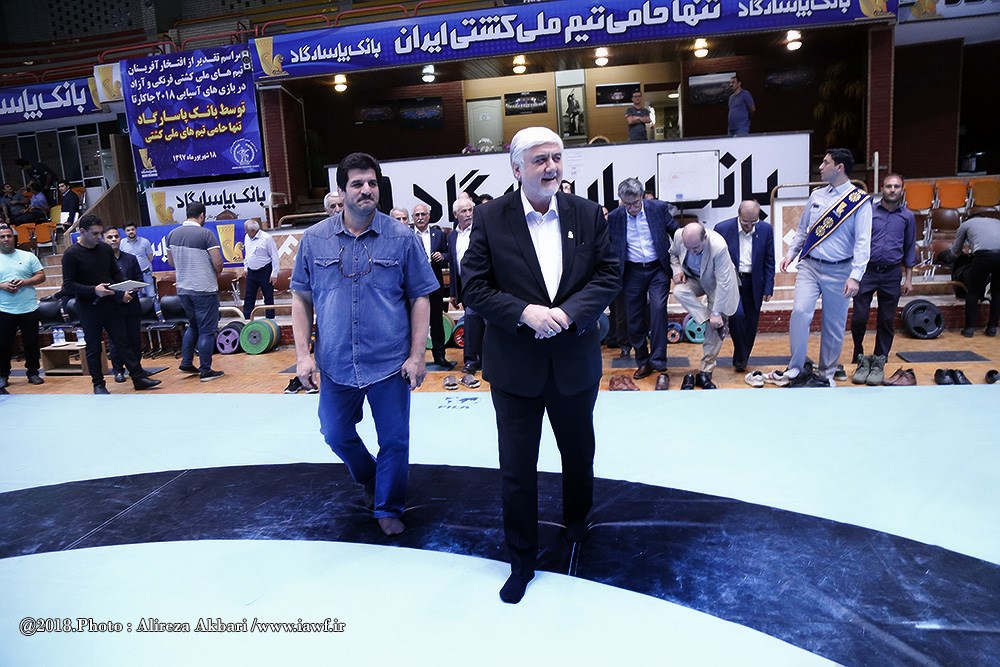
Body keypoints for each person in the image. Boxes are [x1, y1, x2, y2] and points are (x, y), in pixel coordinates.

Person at [462, 127, 619, 603]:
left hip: (574, 362)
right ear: (516, 169)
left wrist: (569, 314)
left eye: (556, 157)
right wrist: (523, 313)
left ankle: (577, 521)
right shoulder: (490, 218)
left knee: (579, 454)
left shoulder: (588, 214)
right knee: (517, 469)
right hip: (515, 369)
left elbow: (609, 274)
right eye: (539, 160)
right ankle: (521, 559)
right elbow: (474, 286)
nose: (551, 167)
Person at [291, 152, 438, 537]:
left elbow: (420, 297)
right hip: (335, 362)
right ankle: (370, 476)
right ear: (342, 191)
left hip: (389, 362)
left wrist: (417, 355)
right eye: (357, 183)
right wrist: (303, 356)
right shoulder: (314, 239)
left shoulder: (402, 238)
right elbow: (301, 298)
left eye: (372, 183)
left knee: (394, 440)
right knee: (334, 433)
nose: (366, 190)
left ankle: (388, 507)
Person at [776, 148, 872, 387]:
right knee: (800, 313)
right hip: (810, 266)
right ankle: (796, 367)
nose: (820, 167)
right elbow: (803, 229)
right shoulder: (816, 195)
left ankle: (826, 373)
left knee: (834, 324)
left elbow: (863, 242)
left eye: (825, 163)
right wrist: (791, 254)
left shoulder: (859, 201)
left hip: (840, 270)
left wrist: (855, 276)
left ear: (839, 167)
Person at [61, 215, 161, 394]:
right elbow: (68, 285)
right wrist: (94, 290)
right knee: (93, 346)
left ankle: (138, 378)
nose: (98, 237)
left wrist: (126, 286)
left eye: (100, 233)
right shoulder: (71, 254)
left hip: (110, 303)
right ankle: (98, 384)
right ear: (82, 232)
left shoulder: (105, 249)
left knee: (123, 342)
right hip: (88, 306)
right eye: (95, 234)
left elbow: (116, 274)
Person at [608, 177, 679, 382]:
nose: (632, 208)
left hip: (658, 268)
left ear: (642, 197)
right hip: (631, 271)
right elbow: (607, 245)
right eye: (627, 204)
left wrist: (681, 263)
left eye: (635, 203)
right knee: (634, 318)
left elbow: (676, 232)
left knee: (658, 309)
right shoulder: (615, 217)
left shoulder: (658, 208)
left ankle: (658, 360)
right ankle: (643, 361)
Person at [850, 174, 917, 384]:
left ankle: (880, 358)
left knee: (886, 320)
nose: (892, 190)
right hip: (867, 272)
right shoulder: (868, 212)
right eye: (889, 186)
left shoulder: (908, 217)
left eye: (896, 186)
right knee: (859, 317)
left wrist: (908, 279)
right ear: (882, 188)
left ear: (902, 189)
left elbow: (909, 248)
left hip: (891, 273)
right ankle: (859, 353)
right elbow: (856, 241)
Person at [670, 222, 740, 389]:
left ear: (705, 238)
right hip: (695, 278)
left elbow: (723, 282)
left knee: (714, 330)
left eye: (695, 248)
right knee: (679, 291)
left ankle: (706, 371)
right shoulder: (679, 236)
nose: (691, 251)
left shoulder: (718, 246)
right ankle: (708, 320)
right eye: (687, 248)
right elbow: (672, 254)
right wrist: (677, 270)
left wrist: (716, 312)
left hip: (717, 284)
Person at [165, 202, 225, 381]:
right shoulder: (206, 234)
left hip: (183, 289)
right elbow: (218, 263)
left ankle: (186, 362)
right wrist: (216, 271)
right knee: (207, 330)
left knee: (193, 326)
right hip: (204, 288)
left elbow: (171, 262)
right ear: (202, 215)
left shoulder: (172, 234)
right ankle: (205, 370)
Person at [715, 200, 775, 372]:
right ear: (738, 215)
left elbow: (769, 260)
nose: (749, 226)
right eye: (745, 222)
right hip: (731, 281)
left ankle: (742, 358)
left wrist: (768, 287)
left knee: (751, 322)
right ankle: (741, 356)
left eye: (754, 222)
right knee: (737, 316)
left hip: (754, 282)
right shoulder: (723, 229)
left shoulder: (765, 229)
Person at [0, 224, 46, 389]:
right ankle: (3, 375)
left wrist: (25, 282)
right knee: (3, 344)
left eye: (9, 236)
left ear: (14, 238)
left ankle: (33, 373)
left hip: (29, 308)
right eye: (2, 236)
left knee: (31, 343)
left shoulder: (28, 256)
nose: (6, 239)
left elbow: (41, 276)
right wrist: (2, 285)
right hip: (4, 309)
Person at [412, 202, 455, 369]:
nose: (420, 218)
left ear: (429, 216)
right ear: (413, 218)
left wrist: (442, 256)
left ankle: (440, 357)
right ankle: (417, 359)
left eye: (423, 214)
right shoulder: (408, 235)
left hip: (435, 286)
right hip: (415, 288)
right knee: (415, 325)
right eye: (417, 215)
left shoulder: (439, 234)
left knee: (437, 323)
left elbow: (448, 254)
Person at [104, 227, 147, 383]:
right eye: (110, 237)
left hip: (132, 304)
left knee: (135, 339)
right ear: (104, 240)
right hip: (113, 306)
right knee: (116, 341)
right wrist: (120, 296)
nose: (114, 239)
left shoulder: (130, 258)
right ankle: (118, 370)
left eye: (116, 236)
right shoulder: (102, 262)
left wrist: (130, 294)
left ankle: (136, 369)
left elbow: (139, 279)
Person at [448, 196, 484, 375]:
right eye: (464, 211)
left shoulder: (481, 230)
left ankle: (486, 361)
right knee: (470, 323)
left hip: (484, 284)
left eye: (471, 210)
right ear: (456, 214)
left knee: (486, 323)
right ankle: (471, 361)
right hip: (465, 286)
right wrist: (454, 292)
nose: (469, 214)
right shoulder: (452, 236)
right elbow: (453, 266)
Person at [949, 215, 1000, 337]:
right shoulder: (996, 221)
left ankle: (969, 329)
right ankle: (992, 328)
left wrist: (960, 254)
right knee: (997, 292)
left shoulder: (966, 224)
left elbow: (955, 250)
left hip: (983, 256)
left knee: (973, 291)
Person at [242, 218, 280, 320]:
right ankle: (247, 319)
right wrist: (245, 267)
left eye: (247, 230)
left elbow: (274, 256)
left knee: (268, 297)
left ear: (253, 231)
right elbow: (247, 254)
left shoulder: (267, 238)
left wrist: (274, 273)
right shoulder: (246, 237)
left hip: (265, 270)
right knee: (249, 296)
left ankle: (270, 319)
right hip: (251, 271)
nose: (245, 232)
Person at [120, 223, 156, 298]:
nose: (131, 232)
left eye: (132, 229)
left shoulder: (145, 242)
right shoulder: (121, 243)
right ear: (125, 232)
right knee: (137, 297)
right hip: (132, 275)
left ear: (136, 230)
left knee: (151, 296)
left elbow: (150, 257)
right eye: (128, 230)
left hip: (145, 273)